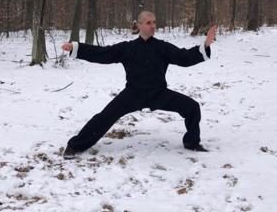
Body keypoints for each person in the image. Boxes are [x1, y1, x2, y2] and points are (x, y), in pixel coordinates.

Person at [60, 12, 216, 155]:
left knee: (192, 107)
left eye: (154, 22)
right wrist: (76, 48)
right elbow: (102, 54)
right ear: (139, 25)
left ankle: (191, 142)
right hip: (133, 94)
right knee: (104, 117)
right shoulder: (128, 48)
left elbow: (184, 57)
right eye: (148, 22)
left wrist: (205, 46)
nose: (153, 26)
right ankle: (75, 146)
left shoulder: (162, 47)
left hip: (159, 93)